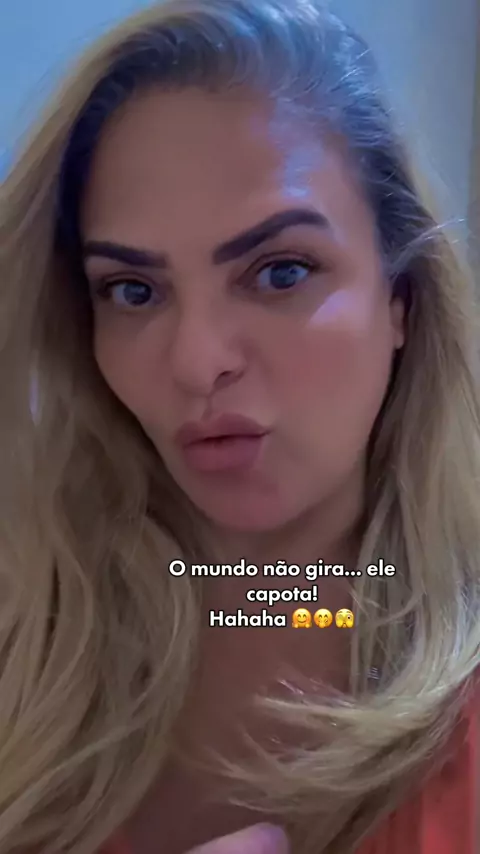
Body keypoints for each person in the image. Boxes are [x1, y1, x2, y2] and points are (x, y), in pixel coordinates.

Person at [0, 1, 478, 852]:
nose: (197, 362)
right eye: (133, 292)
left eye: (280, 272)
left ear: (400, 299)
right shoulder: (23, 634)